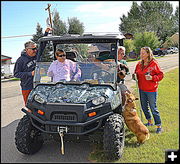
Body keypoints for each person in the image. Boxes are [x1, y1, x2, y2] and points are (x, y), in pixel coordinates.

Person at [13, 27, 52, 105]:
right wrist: (30, 74)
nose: (35, 50)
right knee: (29, 106)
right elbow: (16, 74)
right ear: (27, 50)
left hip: (38, 85)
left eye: (36, 48)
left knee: (41, 106)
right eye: (33, 49)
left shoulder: (36, 55)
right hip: (27, 87)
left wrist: (46, 32)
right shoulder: (20, 60)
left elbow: (43, 45)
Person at [132, 46, 164, 134]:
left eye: (143, 53)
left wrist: (152, 78)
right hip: (141, 89)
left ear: (148, 54)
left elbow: (161, 75)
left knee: (153, 108)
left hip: (151, 90)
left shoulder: (154, 63)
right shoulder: (139, 64)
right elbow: (136, 73)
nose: (141, 55)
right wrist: (134, 76)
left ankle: (159, 126)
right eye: (140, 53)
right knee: (144, 107)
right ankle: (149, 122)